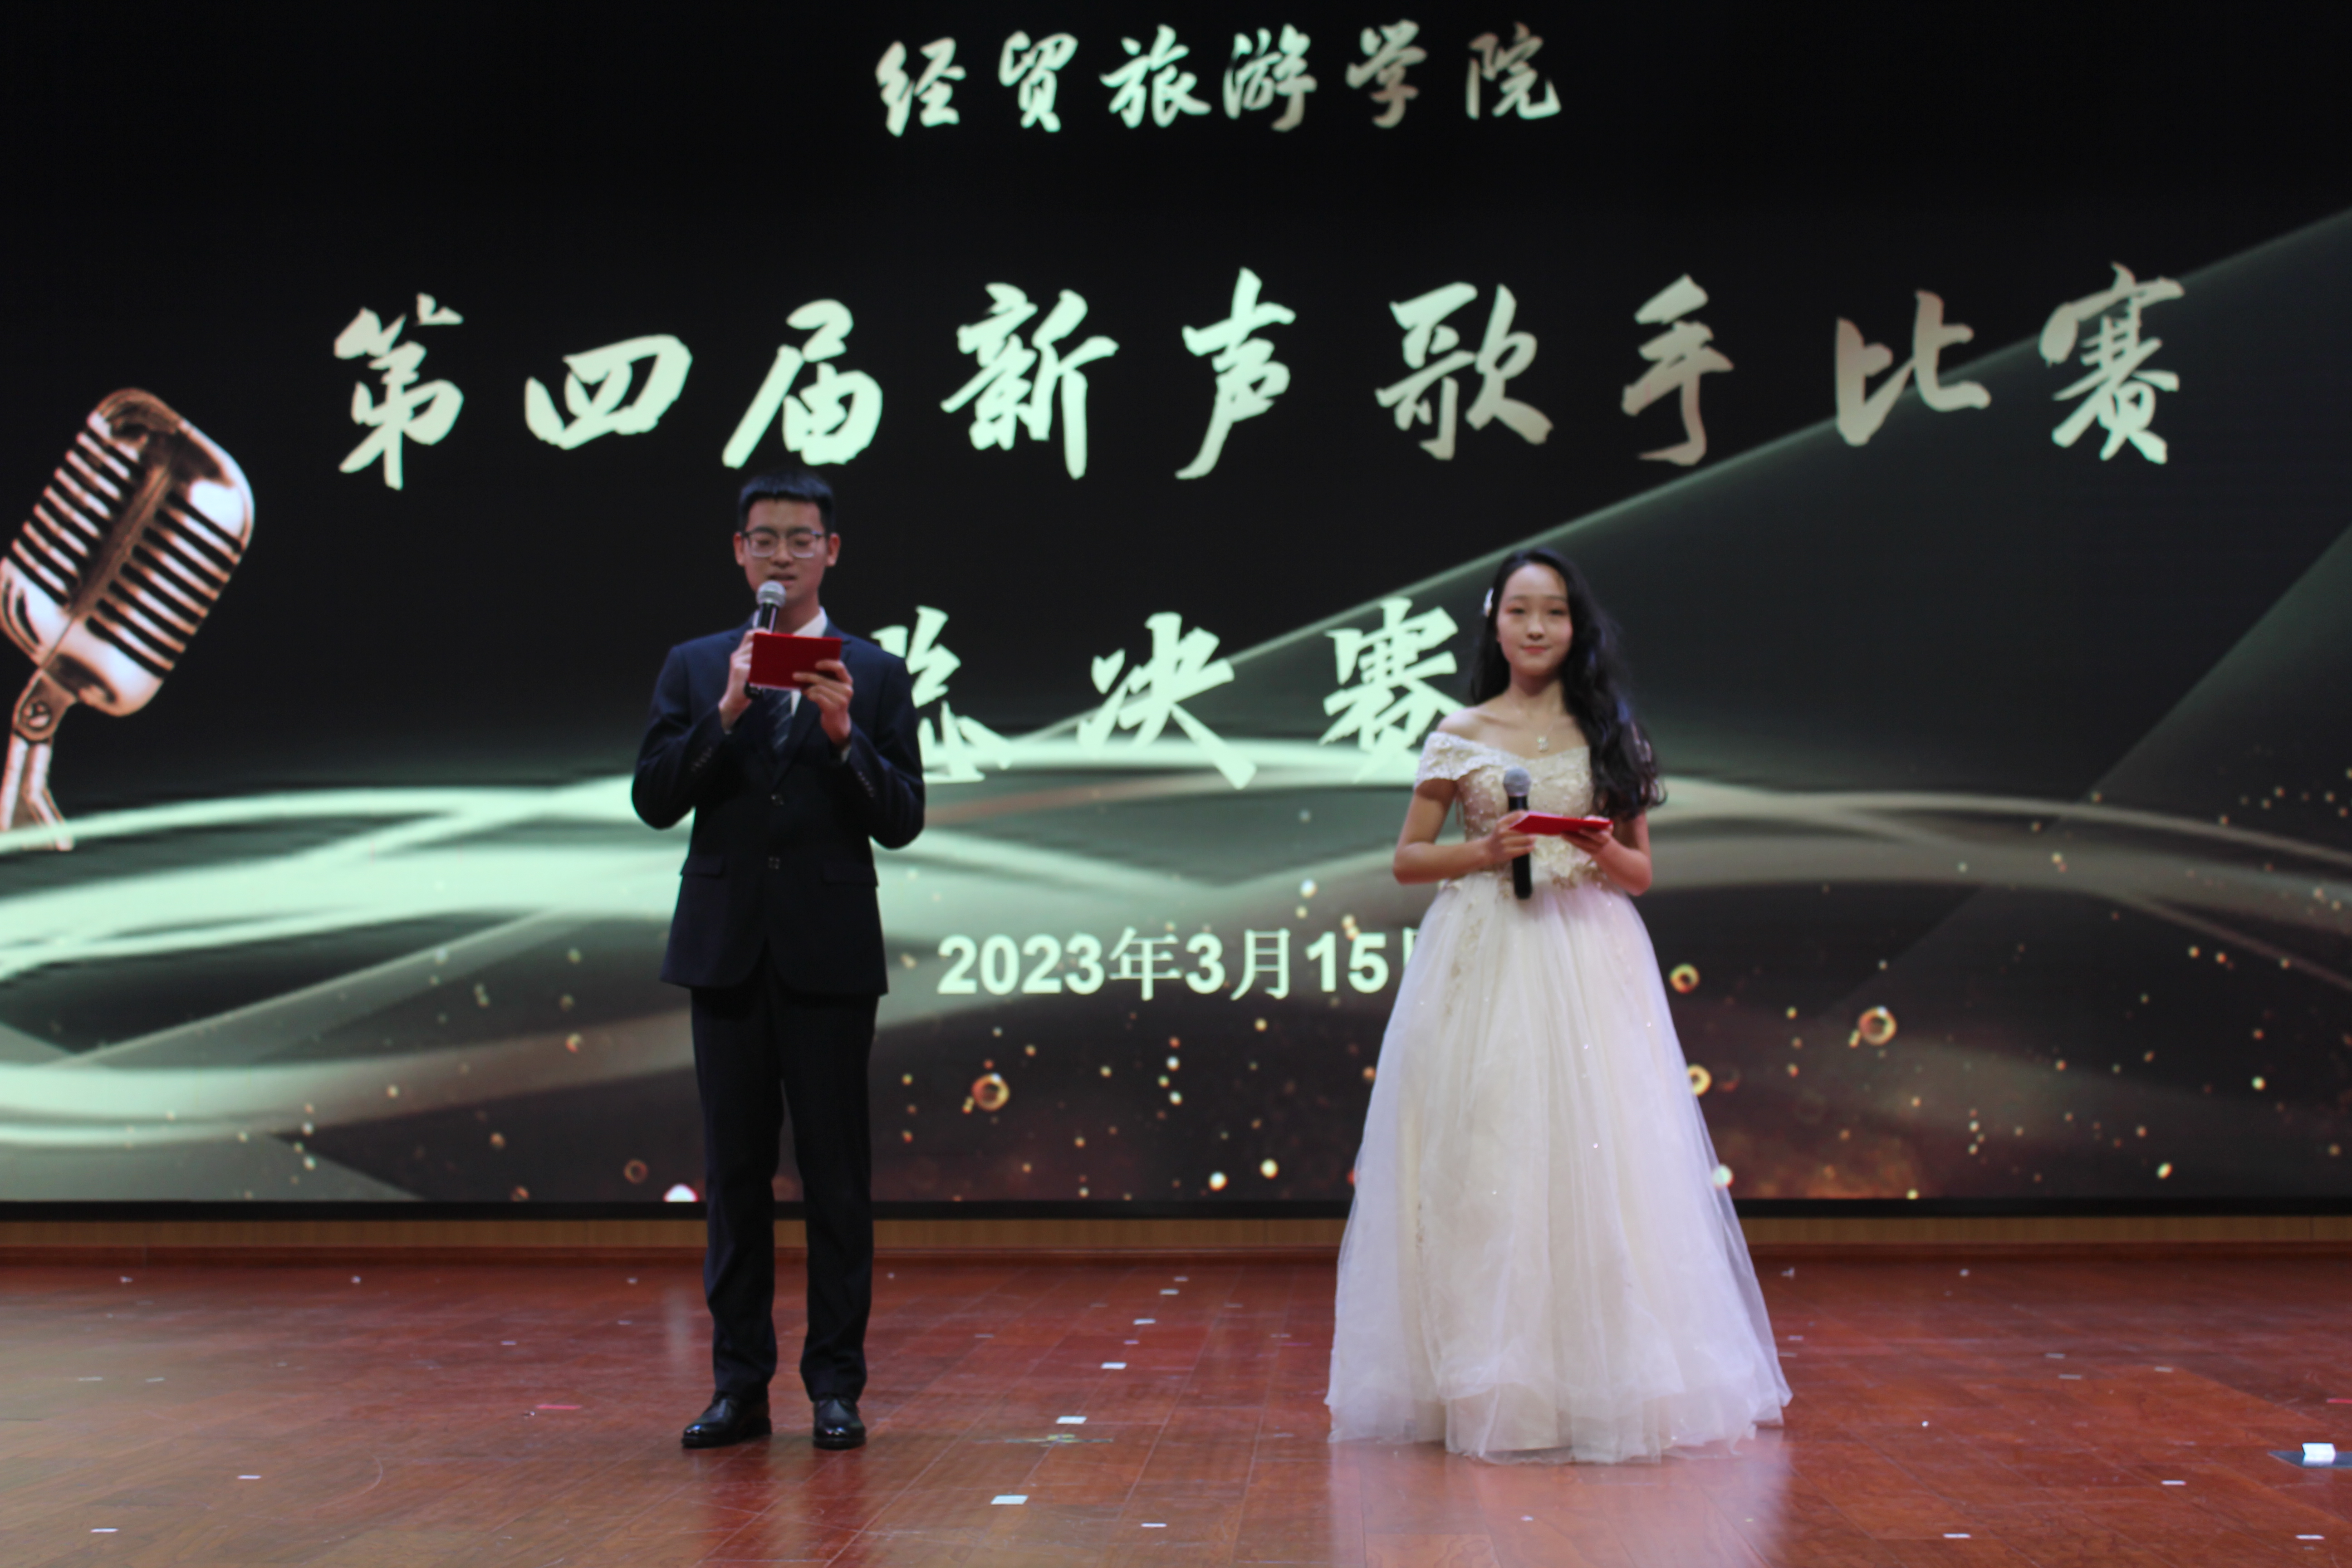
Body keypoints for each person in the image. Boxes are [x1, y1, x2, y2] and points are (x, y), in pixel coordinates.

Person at [1326, 547, 1789, 1464]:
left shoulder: (1611, 731)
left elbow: (1641, 873)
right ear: (1494, 625)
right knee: (1487, 1154)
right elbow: (1408, 859)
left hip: (1586, 955)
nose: (1536, 628)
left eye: (1555, 613)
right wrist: (1485, 850)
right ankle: (1488, 1378)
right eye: (1520, 611)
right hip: (1486, 956)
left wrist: (1595, 846)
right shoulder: (1459, 733)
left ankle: (1604, 1378)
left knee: (1604, 1155)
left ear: (1577, 628)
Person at [632, 468, 924, 1451]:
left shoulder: (874, 671)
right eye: (766, 539)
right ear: (739, 551)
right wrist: (721, 715)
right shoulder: (696, 666)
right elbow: (654, 799)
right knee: (736, 1177)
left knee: (837, 1180)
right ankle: (738, 1388)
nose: (783, 556)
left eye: (803, 540)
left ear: (831, 552)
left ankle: (836, 1387)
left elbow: (904, 818)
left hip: (829, 955)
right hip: (725, 950)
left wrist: (845, 741)